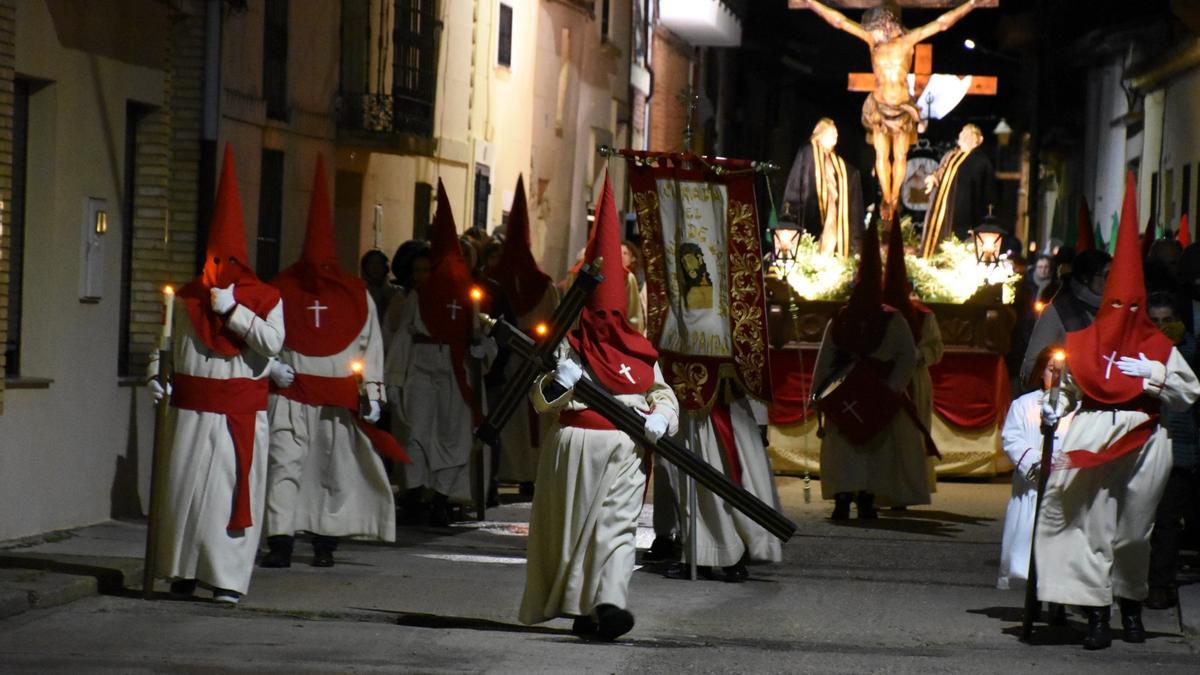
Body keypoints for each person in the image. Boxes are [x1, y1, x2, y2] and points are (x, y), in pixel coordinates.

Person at [1034, 173, 1200, 650]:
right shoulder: (1083, 340)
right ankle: (1097, 615)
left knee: (1132, 532)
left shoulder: (1157, 346)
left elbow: (1188, 394)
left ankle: (1130, 601)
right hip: (1091, 434)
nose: (1125, 309)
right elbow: (1067, 387)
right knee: (1089, 525)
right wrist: (1053, 407)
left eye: (1133, 302)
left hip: (1146, 439)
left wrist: (1155, 374)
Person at [519, 172, 679, 641]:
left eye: (616, 312)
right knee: (575, 535)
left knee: (617, 530)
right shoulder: (568, 347)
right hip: (575, 452)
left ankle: (610, 604)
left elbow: (662, 392)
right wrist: (561, 382)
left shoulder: (641, 349)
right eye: (599, 312)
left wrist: (663, 418)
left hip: (627, 450)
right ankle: (585, 608)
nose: (608, 322)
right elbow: (540, 399)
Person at [146, 145, 285, 604]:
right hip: (190, 411)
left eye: (225, 263)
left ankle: (225, 578)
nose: (215, 271)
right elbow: (166, 342)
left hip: (235, 415)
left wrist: (236, 312)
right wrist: (156, 373)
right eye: (211, 262)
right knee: (182, 492)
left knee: (225, 494)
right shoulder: (187, 298)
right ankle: (181, 571)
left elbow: (272, 343)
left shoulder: (265, 298)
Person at [261, 157, 406, 569]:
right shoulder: (280, 291)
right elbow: (263, 338)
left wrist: (373, 395)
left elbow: (371, 348)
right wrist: (271, 366)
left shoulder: (355, 296)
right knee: (284, 465)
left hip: (337, 404)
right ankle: (280, 541)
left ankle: (325, 542)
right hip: (292, 396)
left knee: (331, 471)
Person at [802, 0, 980, 222]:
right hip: (879, 105)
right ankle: (887, 198)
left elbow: (942, 24)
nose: (876, 29)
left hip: (903, 108)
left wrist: (971, 4)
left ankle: (895, 197)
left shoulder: (907, 42)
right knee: (881, 155)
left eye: (879, 24)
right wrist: (811, 3)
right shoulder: (872, 42)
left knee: (900, 155)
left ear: (888, 22)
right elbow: (840, 21)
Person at [385, 181, 489, 527]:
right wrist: (395, 378)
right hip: (423, 371)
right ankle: (416, 497)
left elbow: (481, 337)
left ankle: (442, 498)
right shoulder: (418, 296)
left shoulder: (469, 298)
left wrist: (480, 348)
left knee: (454, 437)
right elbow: (404, 338)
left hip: (455, 374)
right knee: (417, 434)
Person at [812, 222, 923, 519]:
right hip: (865, 391)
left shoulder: (857, 317)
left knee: (858, 449)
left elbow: (825, 359)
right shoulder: (871, 318)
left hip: (862, 390)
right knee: (861, 449)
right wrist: (891, 388)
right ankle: (854, 499)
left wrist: (818, 394)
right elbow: (907, 357)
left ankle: (856, 499)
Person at [662, 382, 783, 582]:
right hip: (708, 399)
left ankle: (725, 555)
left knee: (711, 475)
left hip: (716, 404)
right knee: (703, 477)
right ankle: (707, 553)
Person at [493, 176, 560, 496]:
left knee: (518, 421)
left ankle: (515, 470)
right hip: (531, 359)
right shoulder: (543, 285)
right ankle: (529, 473)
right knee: (528, 419)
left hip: (512, 360)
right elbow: (556, 321)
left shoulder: (496, 281)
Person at [997, 347, 1075, 607]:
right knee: (1028, 549)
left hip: (1064, 490)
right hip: (1031, 488)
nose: (1056, 376)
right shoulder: (1024, 405)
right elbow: (1012, 437)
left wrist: (1062, 464)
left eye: (1062, 372)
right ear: (1041, 371)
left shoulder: (1078, 408)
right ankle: (1032, 598)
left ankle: (1058, 603)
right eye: (1051, 370)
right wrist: (1035, 463)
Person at [1145, 292, 1200, 610]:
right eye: (1154, 321)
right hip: (1145, 445)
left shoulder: (1190, 350)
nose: (1161, 327)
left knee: (1167, 521)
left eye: (1167, 320)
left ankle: (1159, 583)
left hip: (1179, 448)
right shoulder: (1139, 351)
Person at [882, 219, 942, 507]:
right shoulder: (876, 315)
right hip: (882, 381)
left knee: (911, 439)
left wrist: (918, 356)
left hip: (915, 382)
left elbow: (936, 348)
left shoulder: (924, 316)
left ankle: (907, 490)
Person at [1019, 247, 1112, 385]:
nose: (1113, 280)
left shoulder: (1117, 309)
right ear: (1086, 278)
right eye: (1107, 275)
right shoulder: (1059, 311)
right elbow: (1031, 367)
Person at [781, 118, 865, 256]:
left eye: (836, 133)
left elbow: (850, 177)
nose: (835, 136)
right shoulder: (808, 153)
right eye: (831, 132)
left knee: (832, 241)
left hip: (834, 214)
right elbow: (799, 186)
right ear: (820, 134)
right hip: (815, 211)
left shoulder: (839, 165)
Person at [919, 124, 998, 257]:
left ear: (979, 140)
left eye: (969, 134)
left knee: (956, 241)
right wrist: (933, 177)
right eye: (963, 134)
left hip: (964, 213)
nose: (964, 137)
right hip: (940, 208)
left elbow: (987, 192)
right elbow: (941, 170)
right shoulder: (950, 155)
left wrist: (984, 218)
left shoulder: (981, 162)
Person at [382, 240, 433, 347]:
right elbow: (391, 331)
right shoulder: (402, 298)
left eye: (426, 270)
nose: (421, 276)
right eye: (417, 270)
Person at [360, 249, 394, 328]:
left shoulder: (396, 293)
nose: (376, 267)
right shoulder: (359, 292)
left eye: (379, 263)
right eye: (372, 263)